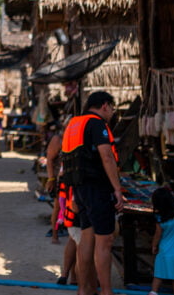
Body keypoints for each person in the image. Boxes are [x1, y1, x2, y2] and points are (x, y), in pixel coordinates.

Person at [61, 91, 124, 295]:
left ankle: (84, 289)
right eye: (112, 109)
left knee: (87, 238)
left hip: (80, 189)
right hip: (98, 188)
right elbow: (107, 156)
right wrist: (117, 188)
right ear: (105, 105)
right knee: (104, 241)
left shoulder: (73, 124)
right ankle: (106, 291)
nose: (112, 114)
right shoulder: (97, 124)